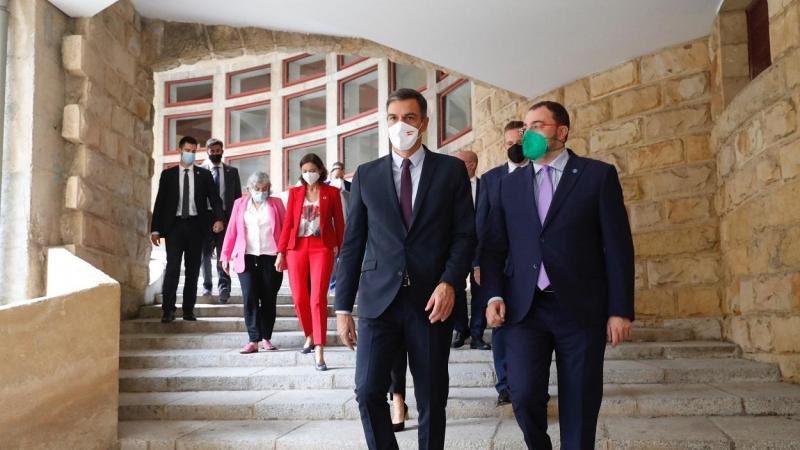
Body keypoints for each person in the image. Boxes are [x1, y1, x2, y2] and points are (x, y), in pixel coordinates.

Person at [482, 101, 635, 449]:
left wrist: (620, 309)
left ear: (561, 132)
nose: (528, 133)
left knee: (580, 399)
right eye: (526, 128)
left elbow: (618, 247)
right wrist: (493, 295)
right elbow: (492, 248)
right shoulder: (509, 185)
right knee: (521, 393)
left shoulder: (598, 176)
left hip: (580, 310)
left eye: (538, 125)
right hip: (525, 309)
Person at [335, 88, 476, 450]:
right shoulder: (366, 175)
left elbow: (465, 235)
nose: (401, 125)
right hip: (377, 301)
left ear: (424, 123)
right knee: (367, 392)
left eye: (410, 118)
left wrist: (449, 283)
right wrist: (341, 307)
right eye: (394, 118)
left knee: (432, 398)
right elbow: (353, 244)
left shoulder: (451, 170)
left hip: (431, 302)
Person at [475, 120, 528, 406]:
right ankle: (505, 386)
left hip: (530, 269)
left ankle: (528, 384)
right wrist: (476, 263)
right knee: (500, 326)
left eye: (518, 143)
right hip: (497, 267)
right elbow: (480, 224)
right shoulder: (490, 179)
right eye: (509, 144)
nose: (514, 148)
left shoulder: (538, 175)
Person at [276, 154, 345, 371]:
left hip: (321, 248)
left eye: (312, 169)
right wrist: (280, 252)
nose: (308, 173)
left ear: (320, 170)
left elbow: (340, 223)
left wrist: (342, 249)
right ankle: (309, 333)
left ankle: (319, 350)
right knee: (299, 298)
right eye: (304, 170)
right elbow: (287, 224)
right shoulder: (295, 193)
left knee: (317, 299)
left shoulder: (332, 192)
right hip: (296, 248)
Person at [151, 136, 224, 323]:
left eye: (193, 151)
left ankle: (188, 310)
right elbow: (160, 203)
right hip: (174, 227)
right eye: (187, 150)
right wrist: (155, 229)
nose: (190, 154)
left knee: (192, 271)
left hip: (196, 227)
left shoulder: (204, 175)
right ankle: (168, 310)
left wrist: (219, 219)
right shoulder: (168, 175)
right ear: (180, 150)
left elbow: (215, 199)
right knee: (173, 268)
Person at [220, 171, 285, 353]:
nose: (261, 192)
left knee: (269, 298)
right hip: (246, 257)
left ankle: (266, 338)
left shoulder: (276, 204)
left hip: (271, 257)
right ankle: (253, 339)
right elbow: (232, 231)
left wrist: (283, 253)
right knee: (250, 297)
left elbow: (286, 229)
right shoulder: (239, 204)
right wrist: (225, 256)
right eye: (257, 188)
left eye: (265, 189)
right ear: (249, 189)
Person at [451, 150, 490, 350]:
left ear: (472, 164)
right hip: (456, 249)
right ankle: (461, 329)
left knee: (480, 293)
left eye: (459, 163)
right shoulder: (448, 188)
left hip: (482, 248)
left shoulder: (487, 187)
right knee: (455, 289)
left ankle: (476, 335)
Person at [201, 138, 242, 303]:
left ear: (222, 151)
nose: (216, 154)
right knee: (205, 254)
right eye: (212, 151)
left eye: (218, 151)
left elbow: (237, 198)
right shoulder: (200, 171)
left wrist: (236, 220)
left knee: (223, 252)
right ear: (207, 152)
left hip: (226, 216)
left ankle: (224, 287)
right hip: (206, 217)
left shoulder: (232, 172)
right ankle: (207, 285)